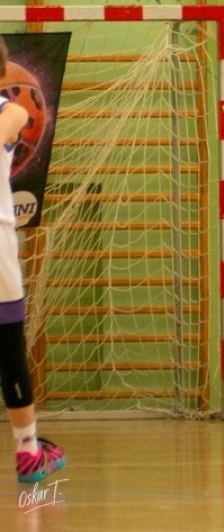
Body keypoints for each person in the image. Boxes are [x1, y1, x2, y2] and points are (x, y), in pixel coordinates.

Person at [0, 36, 67, 484]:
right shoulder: (12, 111)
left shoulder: (12, 112)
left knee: (8, 345)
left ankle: (30, 449)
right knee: (8, 346)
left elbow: (10, 123)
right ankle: (27, 450)